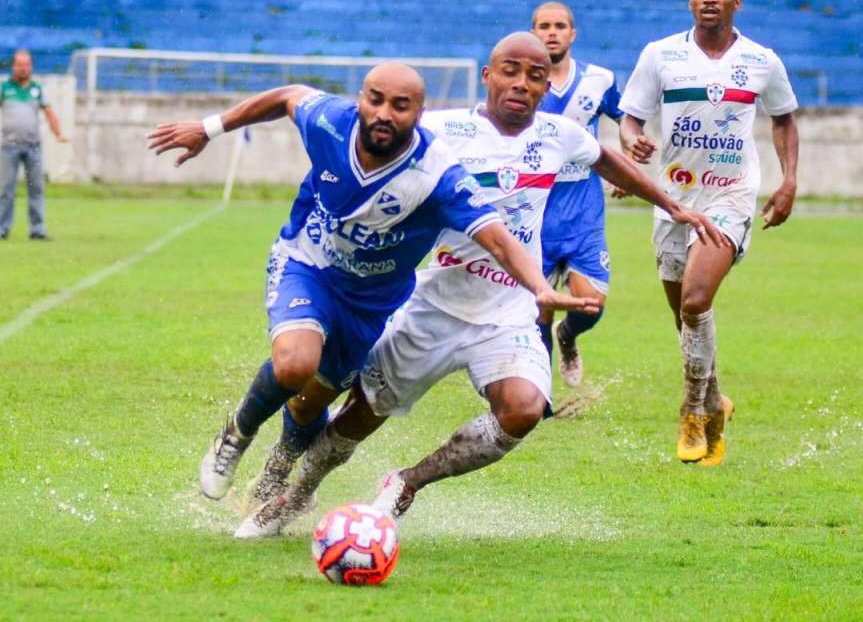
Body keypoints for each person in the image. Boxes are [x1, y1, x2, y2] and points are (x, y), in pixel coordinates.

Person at [235, 32, 725, 538]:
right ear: (488, 76)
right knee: (360, 415)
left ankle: (406, 483)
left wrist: (671, 204)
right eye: (510, 70)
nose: (522, 83)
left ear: (545, 86)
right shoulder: (440, 130)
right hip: (433, 305)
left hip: (508, 312)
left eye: (536, 75)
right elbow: (370, 136)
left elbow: (603, 158)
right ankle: (295, 492)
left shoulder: (559, 135)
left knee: (523, 410)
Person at [146, 62, 596, 504]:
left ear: (419, 115)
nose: (383, 113)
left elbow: (497, 237)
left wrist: (538, 286)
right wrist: (209, 128)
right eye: (375, 99)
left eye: (400, 106)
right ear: (361, 99)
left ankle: (281, 465)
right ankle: (237, 435)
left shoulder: (438, 175)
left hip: (370, 302)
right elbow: (287, 96)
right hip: (308, 265)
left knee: (310, 402)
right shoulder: (331, 122)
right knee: (294, 365)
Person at [618, 0, 800, 466]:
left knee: (697, 300)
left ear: (736, 1)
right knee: (684, 318)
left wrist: (788, 182)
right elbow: (631, 118)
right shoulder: (660, 56)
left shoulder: (762, 61)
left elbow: (784, 119)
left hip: (730, 196)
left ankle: (693, 412)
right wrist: (633, 143)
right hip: (673, 199)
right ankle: (717, 399)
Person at [530, 1, 624, 388]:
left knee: (590, 304)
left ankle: (569, 336)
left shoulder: (598, 80)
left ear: (573, 33)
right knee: (536, 309)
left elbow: (626, 120)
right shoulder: (521, 82)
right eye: (544, 26)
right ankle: (540, 393)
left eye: (559, 26)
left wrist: (626, 163)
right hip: (535, 211)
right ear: (533, 32)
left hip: (583, 210)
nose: (552, 32)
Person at [1, 49, 68, 240]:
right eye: (20, 65)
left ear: (31, 67)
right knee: (6, 189)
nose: (23, 68)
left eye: (26, 65)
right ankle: (2, 228)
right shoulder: (5, 88)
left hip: (33, 147)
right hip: (8, 146)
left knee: (36, 188)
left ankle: (37, 229)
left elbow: (49, 113)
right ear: (13, 66)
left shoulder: (36, 89)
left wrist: (58, 134)